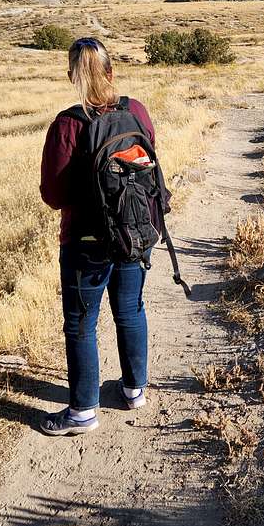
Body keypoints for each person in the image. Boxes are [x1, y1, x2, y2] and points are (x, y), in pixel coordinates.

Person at [38, 37, 158, 435]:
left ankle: (83, 412)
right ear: (111, 71)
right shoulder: (136, 111)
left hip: (85, 242)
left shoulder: (69, 124)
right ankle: (134, 390)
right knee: (130, 310)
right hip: (135, 233)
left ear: (72, 76)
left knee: (81, 325)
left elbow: (53, 195)